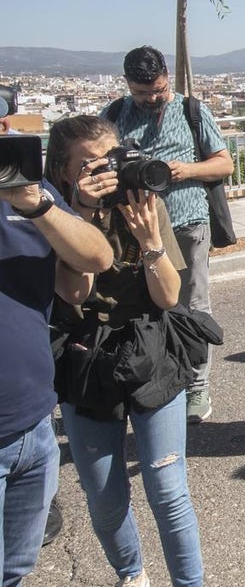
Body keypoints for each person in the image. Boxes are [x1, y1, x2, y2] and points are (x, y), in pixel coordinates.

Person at [46, 115, 205, 587]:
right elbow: (75, 294)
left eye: (112, 160)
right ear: (63, 174)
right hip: (86, 361)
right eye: (91, 166)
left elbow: (169, 297)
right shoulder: (54, 219)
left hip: (150, 353)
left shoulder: (143, 205)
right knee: (106, 496)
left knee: (168, 491)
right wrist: (83, 215)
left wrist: (151, 243)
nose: (107, 174)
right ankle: (131, 575)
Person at [1, 101, 112, 586]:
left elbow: (92, 262)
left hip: (34, 425)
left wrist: (40, 204)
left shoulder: (27, 189)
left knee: (16, 568)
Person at [102, 46, 234, 424]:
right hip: (134, 230)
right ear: (127, 85)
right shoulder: (113, 114)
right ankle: (147, 379)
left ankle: (197, 387)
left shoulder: (191, 111)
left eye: (158, 90)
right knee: (140, 308)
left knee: (193, 306)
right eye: (142, 93)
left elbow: (224, 162)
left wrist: (186, 170)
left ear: (167, 79)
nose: (152, 98)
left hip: (187, 223)